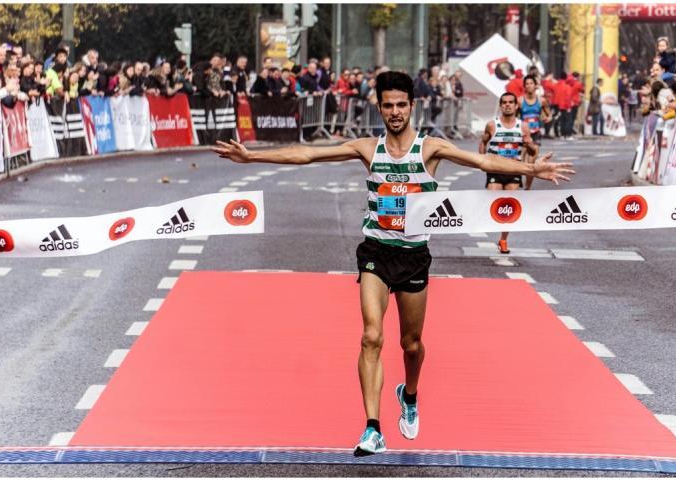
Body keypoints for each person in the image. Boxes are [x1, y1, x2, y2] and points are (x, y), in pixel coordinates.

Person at [212, 71, 573, 457]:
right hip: (376, 252)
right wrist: (252, 155)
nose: (396, 112)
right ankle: (372, 428)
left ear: (412, 106)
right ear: (379, 106)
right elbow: (308, 154)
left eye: (402, 105)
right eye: (388, 105)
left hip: (414, 256)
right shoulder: (369, 148)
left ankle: (410, 394)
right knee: (371, 336)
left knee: (411, 344)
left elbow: (481, 158)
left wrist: (530, 169)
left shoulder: (430, 148)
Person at [480, 92, 539, 254]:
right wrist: (482, 162)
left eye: (510, 102)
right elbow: (483, 142)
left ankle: (503, 240)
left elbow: (533, 150)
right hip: (495, 169)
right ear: (500, 106)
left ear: (516, 105)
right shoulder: (492, 125)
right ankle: (492, 227)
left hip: (514, 170)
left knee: (508, 207)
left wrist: (530, 145)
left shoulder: (523, 126)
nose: (507, 105)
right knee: (493, 202)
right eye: (504, 102)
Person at [519, 75, 544, 189]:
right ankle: (516, 182)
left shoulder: (541, 100)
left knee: (532, 163)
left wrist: (546, 118)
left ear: (535, 86)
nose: (529, 85)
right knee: (520, 163)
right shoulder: (520, 101)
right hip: (523, 134)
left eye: (531, 83)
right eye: (527, 84)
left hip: (536, 133)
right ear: (524, 86)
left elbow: (548, 114)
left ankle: (527, 188)